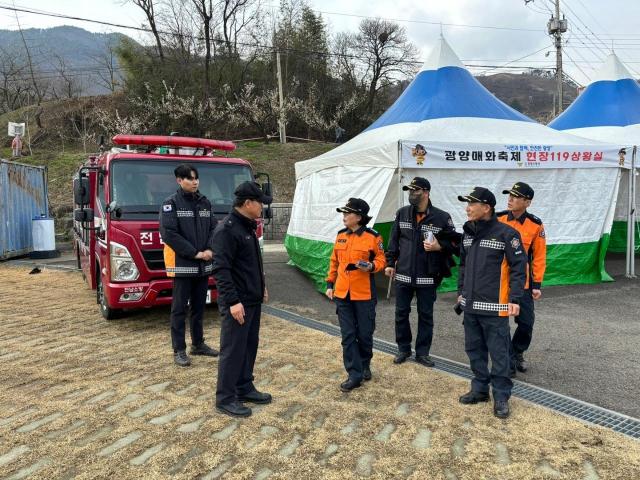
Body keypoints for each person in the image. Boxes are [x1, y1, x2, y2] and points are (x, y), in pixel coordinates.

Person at [457, 186, 526, 419]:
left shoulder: (507, 234)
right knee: (474, 350)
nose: (467, 208)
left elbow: (518, 269)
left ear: (486, 208)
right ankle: (479, 390)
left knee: (499, 355)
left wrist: (515, 299)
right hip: (470, 306)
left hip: (496, 308)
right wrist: (460, 291)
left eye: (472, 204)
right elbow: (464, 266)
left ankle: (501, 397)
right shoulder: (467, 233)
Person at [384, 177, 460, 367]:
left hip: (428, 276)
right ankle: (403, 349)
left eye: (415, 190)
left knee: (425, 315)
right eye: (409, 190)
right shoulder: (402, 214)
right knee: (401, 313)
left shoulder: (442, 217)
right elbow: (393, 240)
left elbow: (454, 243)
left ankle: (423, 353)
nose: (411, 193)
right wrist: (390, 263)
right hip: (403, 275)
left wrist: (439, 247)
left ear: (426, 192)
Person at [212, 181, 272, 418]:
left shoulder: (247, 226)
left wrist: (262, 287)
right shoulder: (227, 230)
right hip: (238, 302)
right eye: (260, 204)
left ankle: (244, 386)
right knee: (233, 349)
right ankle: (225, 397)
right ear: (247, 203)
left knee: (249, 346)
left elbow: (252, 263)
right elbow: (221, 270)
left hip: (252, 298)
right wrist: (233, 302)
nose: (262, 208)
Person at [159, 164, 219, 367]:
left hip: (203, 267)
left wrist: (210, 249)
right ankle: (179, 350)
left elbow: (214, 228)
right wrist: (195, 253)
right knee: (178, 309)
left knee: (199, 308)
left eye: (196, 178)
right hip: (183, 267)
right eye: (190, 179)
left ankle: (198, 344)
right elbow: (169, 234)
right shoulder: (171, 204)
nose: (195, 182)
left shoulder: (205, 203)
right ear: (179, 181)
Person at [325, 198, 386, 392]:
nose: (344, 216)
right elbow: (334, 261)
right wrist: (329, 283)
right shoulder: (340, 235)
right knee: (348, 335)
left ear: (359, 217)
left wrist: (372, 266)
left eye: (347, 213)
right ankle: (354, 373)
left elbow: (381, 259)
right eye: (343, 213)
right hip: (342, 293)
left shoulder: (373, 237)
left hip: (364, 294)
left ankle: (365, 363)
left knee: (365, 334)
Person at [498, 182, 546, 376]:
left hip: (522, 283)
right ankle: (505, 359)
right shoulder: (498, 219)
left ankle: (516, 352)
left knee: (526, 323)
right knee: (499, 323)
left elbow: (539, 256)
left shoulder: (535, 224)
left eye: (515, 197)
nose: (510, 199)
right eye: (509, 195)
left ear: (527, 202)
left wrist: (536, 284)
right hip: (498, 281)